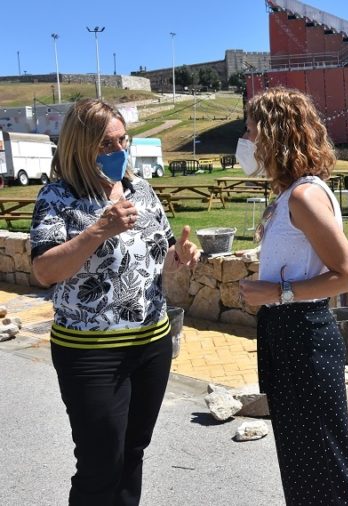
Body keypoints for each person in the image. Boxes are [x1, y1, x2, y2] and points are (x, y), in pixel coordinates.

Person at [30, 98, 199, 506]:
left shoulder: (142, 189)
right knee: (100, 462)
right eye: (106, 145)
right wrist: (97, 231)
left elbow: (159, 264)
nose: (118, 152)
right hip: (89, 351)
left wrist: (179, 259)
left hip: (151, 343)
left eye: (123, 141)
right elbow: (44, 271)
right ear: (79, 146)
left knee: (133, 452)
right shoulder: (58, 196)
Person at [238, 87, 348, 506]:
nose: (247, 139)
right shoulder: (290, 194)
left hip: (303, 336)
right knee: (303, 465)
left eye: (251, 129)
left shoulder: (306, 196)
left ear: (274, 134)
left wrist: (277, 291)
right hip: (287, 335)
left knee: (322, 465)